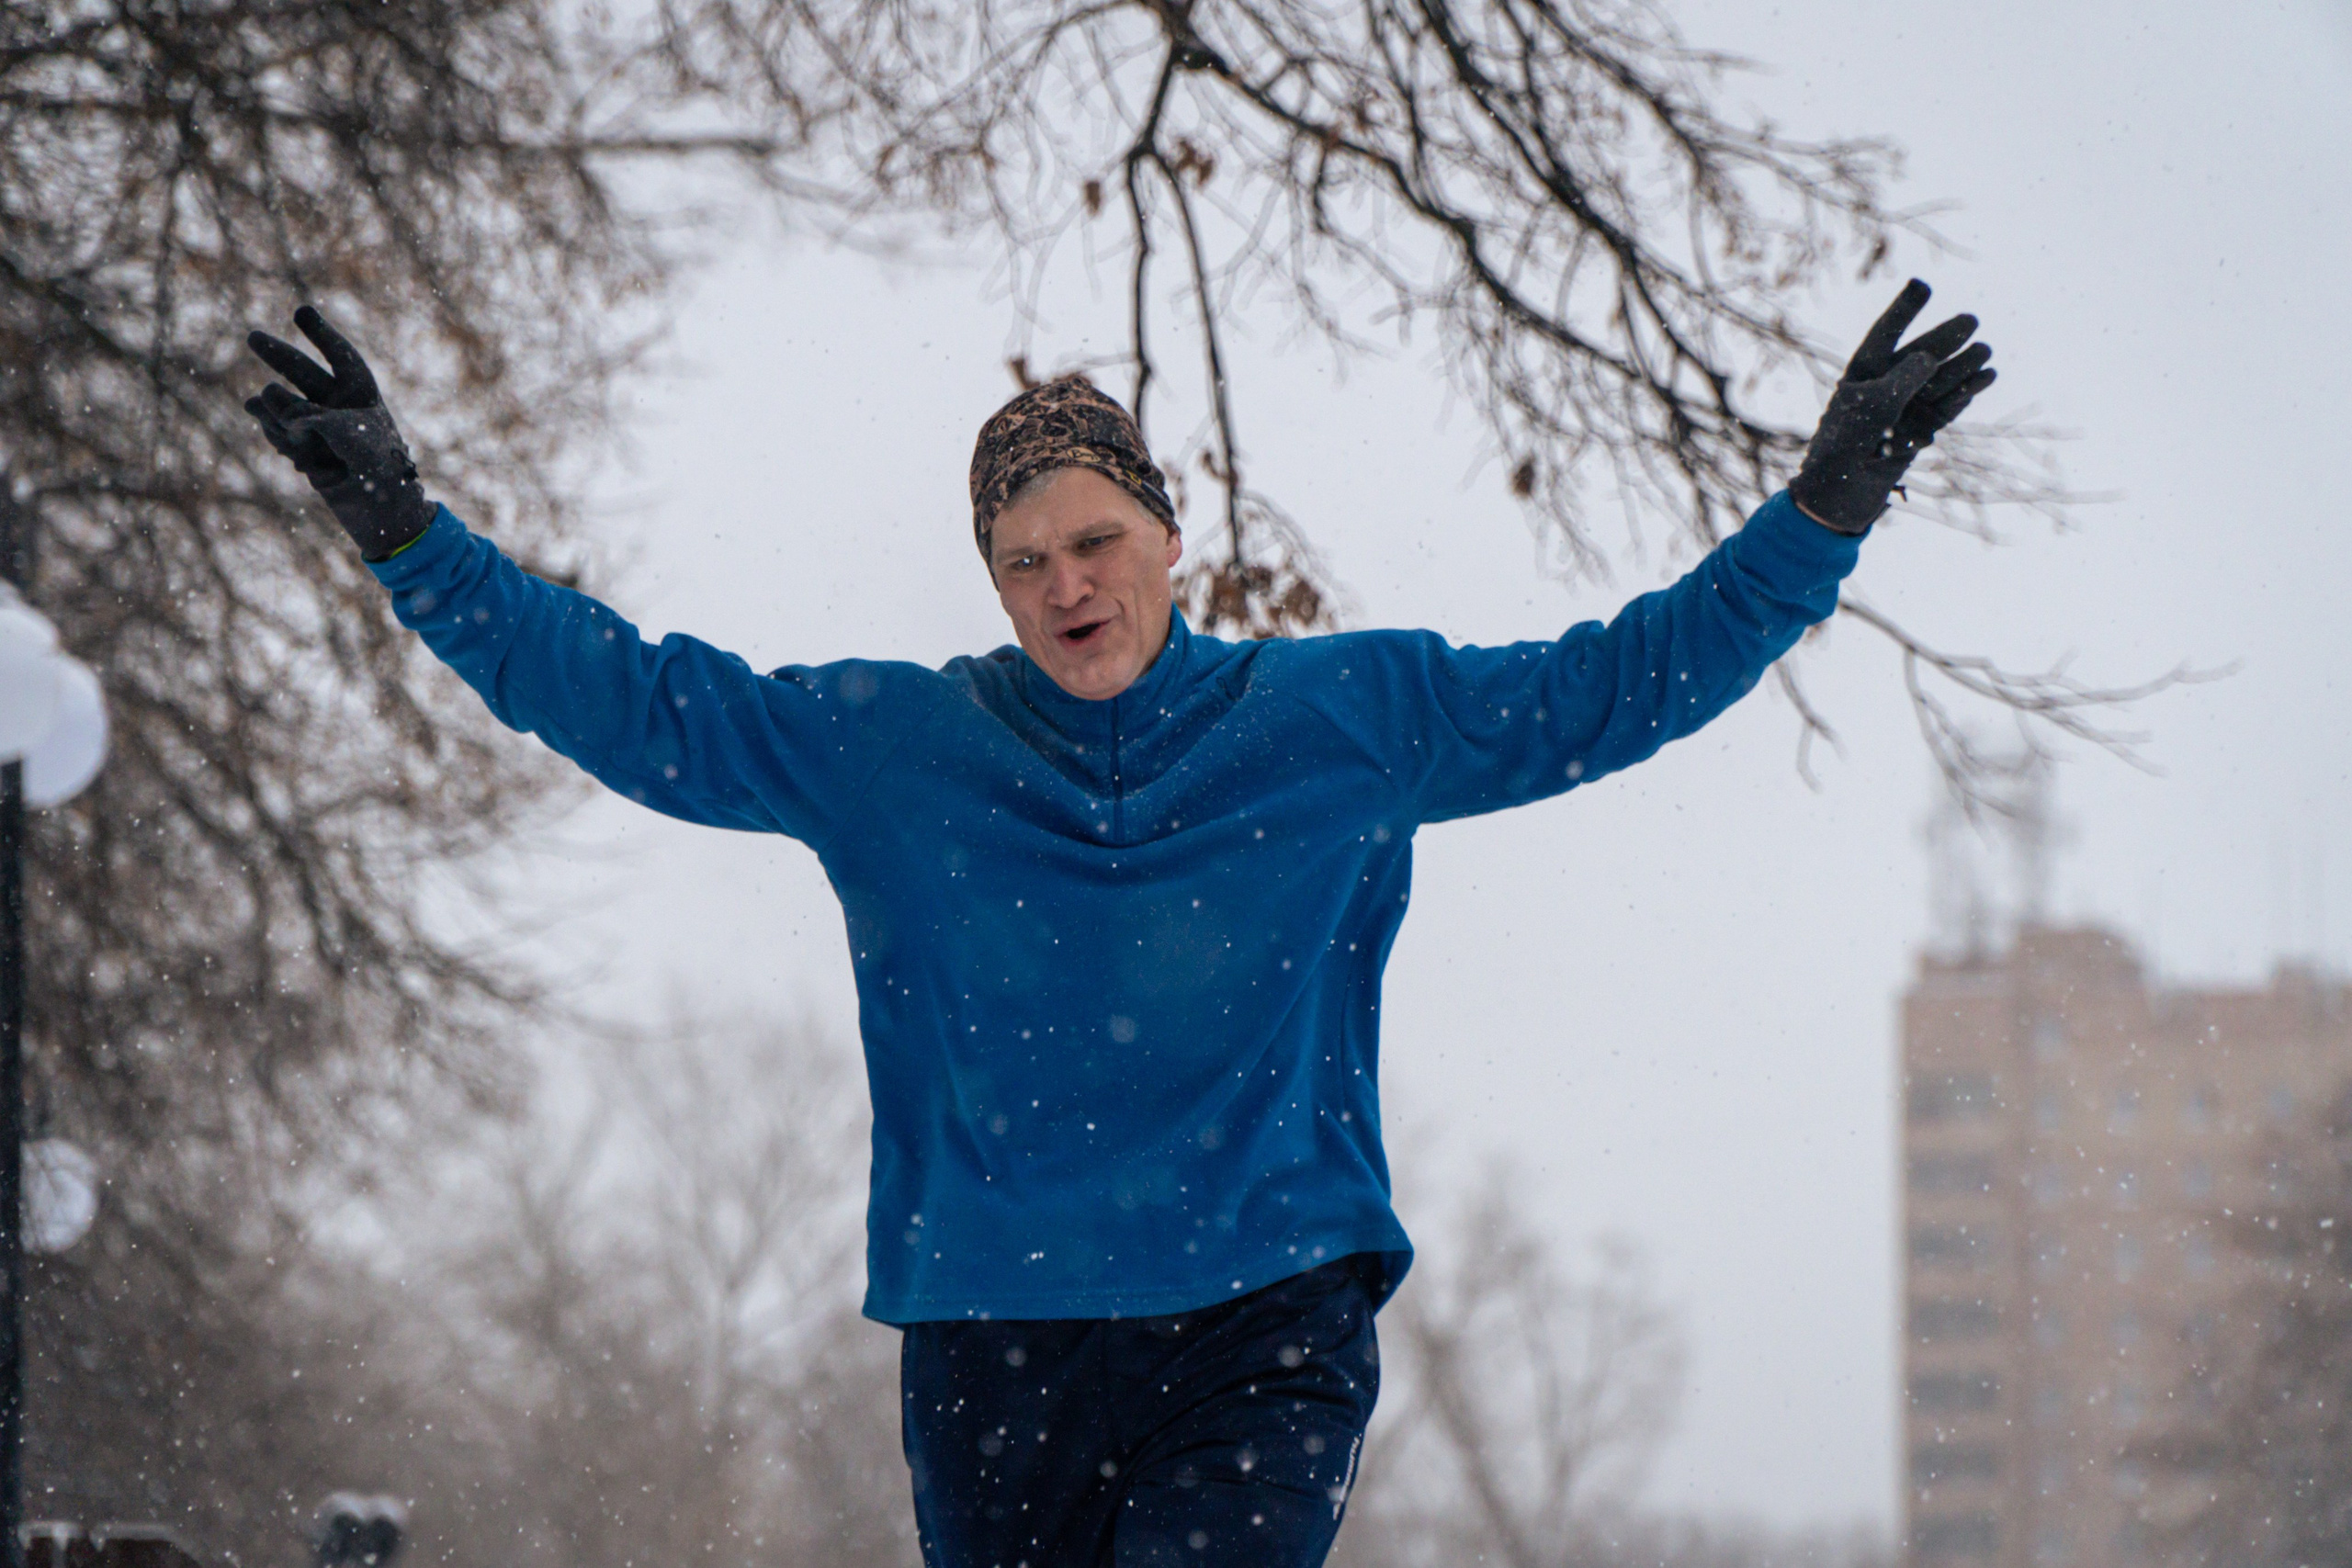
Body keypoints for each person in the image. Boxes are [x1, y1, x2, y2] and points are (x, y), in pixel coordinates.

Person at [242, 281, 1992, 1567]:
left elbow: (1617, 687)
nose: (1066, 582)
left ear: (1169, 533)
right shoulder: (896, 751)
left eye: (1094, 538)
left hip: (1263, 1321)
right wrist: (413, 538)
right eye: (1022, 559)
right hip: (994, 1339)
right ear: (992, 582)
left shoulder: (1345, 722)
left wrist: (1822, 507)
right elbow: (637, 705)